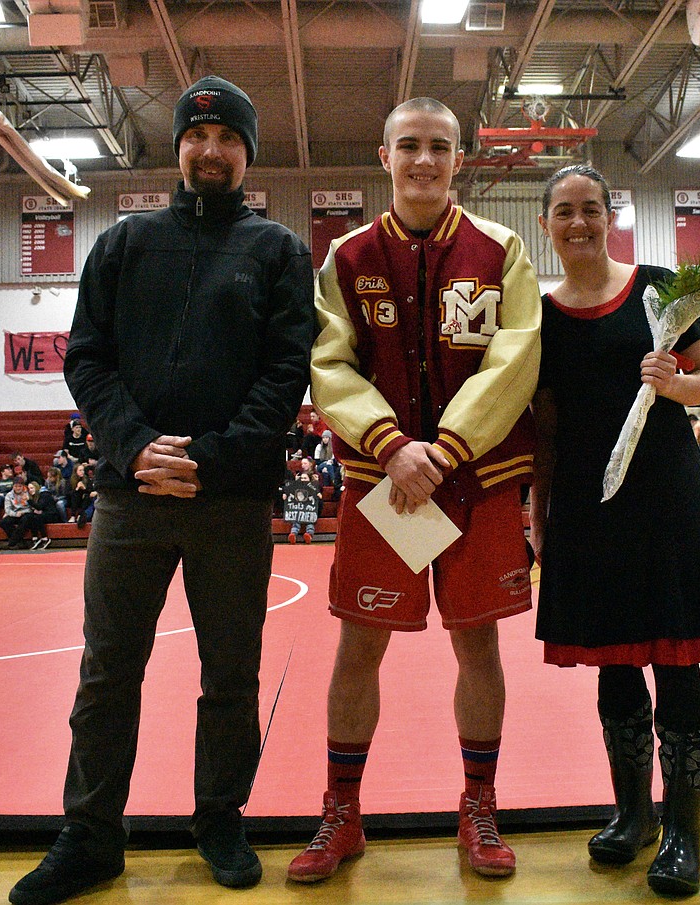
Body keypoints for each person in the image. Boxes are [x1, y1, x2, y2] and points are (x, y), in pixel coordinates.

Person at [9, 74, 314, 905]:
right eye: (196, 136)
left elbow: (287, 373)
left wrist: (211, 459)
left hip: (231, 500)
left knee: (231, 674)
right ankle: (92, 833)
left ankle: (218, 815)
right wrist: (136, 445)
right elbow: (87, 357)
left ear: (247, 153)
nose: (210, 151)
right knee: (107, 671)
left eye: (227, 138)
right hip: (129, 494)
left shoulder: (279, 251)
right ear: (177, 146)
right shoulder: (123, 243)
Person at [288, 97, 540, 885]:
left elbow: (515, 357)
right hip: (384, 486)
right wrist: (393, 447)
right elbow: (329, 367)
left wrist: (450, 447)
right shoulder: (348, 257)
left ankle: (479, 804)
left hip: (479, 482)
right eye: (409, 147)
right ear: (384, 154)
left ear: (458, 158)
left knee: (478, 643)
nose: (424, 160)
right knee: (359, 646)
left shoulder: (503, 249)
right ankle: (342, 809)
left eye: (438, 147)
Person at [528, 165, 700, 897]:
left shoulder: (658, 284)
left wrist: (672, 381)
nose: (578, 222)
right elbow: (547, 426)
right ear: (546, 224)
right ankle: (633, 814)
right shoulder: (543, 316)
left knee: (675, 661)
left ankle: (686, 831)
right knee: (615, 661)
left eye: (591, 209)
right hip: (589, 506)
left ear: (610, 215)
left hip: (667, 499)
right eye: (564, 212)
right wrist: (539, 511)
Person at [0, 476, 33, 549]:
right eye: (16, 486)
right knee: (3, 522)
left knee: (25, 520)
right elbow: (7, 510)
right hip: (15, 513)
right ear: (13, 486)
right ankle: (21, 542)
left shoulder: (28, 493)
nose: (18, 488)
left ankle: (11, 543)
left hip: (26, 512)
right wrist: (15, 514)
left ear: (23, 486)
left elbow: (32, 506)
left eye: (20, 486)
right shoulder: (9, 495)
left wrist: (23, 512)